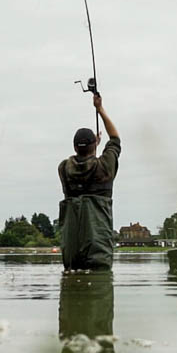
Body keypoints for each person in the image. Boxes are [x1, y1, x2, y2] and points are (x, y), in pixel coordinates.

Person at [58, 93, 120, 271]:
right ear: (95, 145)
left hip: (71, 250)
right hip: (98, 249)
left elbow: (82, 163)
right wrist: (99, 108)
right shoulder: (105, 167)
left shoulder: (63, 168)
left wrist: (91, 151)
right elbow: (115, 139)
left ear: (75, 147)